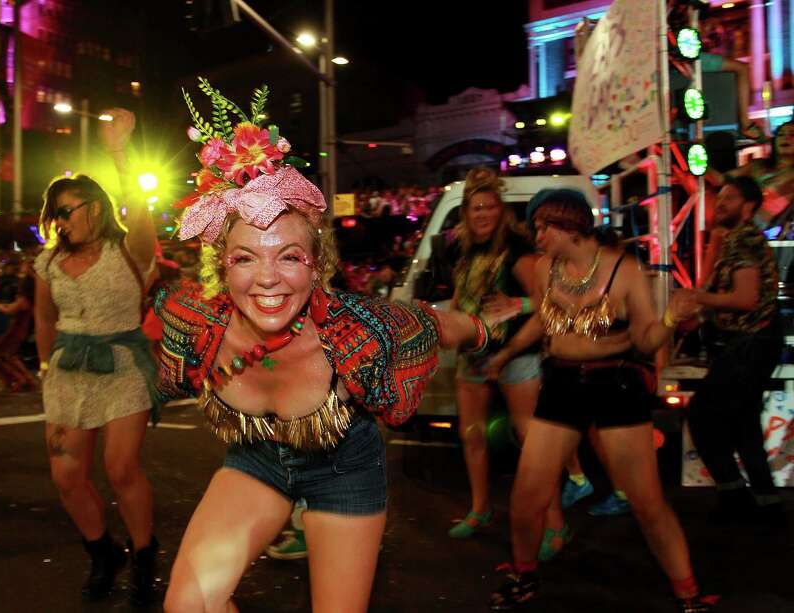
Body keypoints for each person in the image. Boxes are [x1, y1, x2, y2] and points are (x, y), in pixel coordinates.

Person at [157, 80, 494, 613]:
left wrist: (484, 327)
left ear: (317, 265)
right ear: (222, 265)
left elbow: (434, 324)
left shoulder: (360, 330)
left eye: (289, 256)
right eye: (246, 258)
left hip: (345, 471)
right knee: (187, 606)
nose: (268, 278)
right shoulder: (197, 323)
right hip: (256, 462)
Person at [487, 189, 713, 612]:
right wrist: (506, 352)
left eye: (543, 227)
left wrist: (670, 319)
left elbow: (646, 340)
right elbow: (544, 320)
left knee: (647, 502)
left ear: (569, 225)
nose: (537, 236)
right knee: (526, 497)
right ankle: (524, 576)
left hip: (616, 384)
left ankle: (689, 594)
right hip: (561, 383)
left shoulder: (624, 270)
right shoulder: (545, 269)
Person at [33, 108, 161, 605]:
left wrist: (118, 151)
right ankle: (102, 552)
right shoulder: (47, 262)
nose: (62, 220)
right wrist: (46, 368)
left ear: (96, 208)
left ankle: (144, 555)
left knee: (121, 467)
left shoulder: (130, 249)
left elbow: (139, 206)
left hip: (123, 364)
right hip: (68, 371)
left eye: (69, 210)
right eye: (56, 213)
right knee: (66, 475)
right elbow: (44, 318)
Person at [445, 169, 561, 551]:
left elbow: (547, 302)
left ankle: (554, 524)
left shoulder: (516, 248)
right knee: (472, 435)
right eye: (476, 207)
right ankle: (480, 509)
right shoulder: (463, 250)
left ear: (501, 210)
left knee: (531, 441)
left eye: (489, 206)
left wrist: (517, 305)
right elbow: (461, 299)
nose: (483, 214)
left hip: (516, 352)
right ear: (466, 212)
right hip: (473, 354)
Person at [688, 176, 786, 526]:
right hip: (756, 341)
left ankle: (735, 497)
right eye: (720, 197)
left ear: (748, 206)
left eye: (729, 198)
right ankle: (766, 504)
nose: (720, 203)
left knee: (702, 415)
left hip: (751, 341)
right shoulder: (735, 238)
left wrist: (699, 298)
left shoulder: (743, 239)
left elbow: (745, 299)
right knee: (744, 423)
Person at [0, 273, 36, 392]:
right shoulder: (29, 300)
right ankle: (27, 379)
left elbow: (8, 310)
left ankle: (17, 379)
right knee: (10, 356)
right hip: (20, 331)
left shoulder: (23, 300)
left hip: (14, 331)